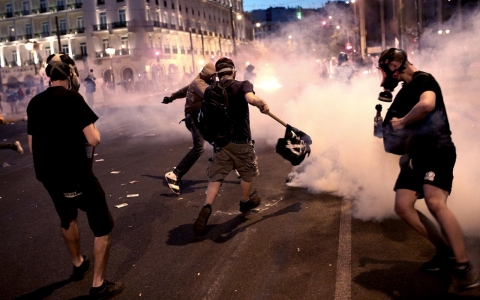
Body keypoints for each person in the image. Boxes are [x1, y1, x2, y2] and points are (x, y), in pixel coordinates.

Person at [377, 48, 479, 290]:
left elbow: (427, 105)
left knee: (435, 202)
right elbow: (392, 132)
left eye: (386, 68)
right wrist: (384, 128)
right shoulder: (403, 92)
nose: (385, 75)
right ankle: (445, 252)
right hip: (415, 155)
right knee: (402, 206)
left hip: (437, 149)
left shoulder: (425, 80)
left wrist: (401, 122)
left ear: (396, 64)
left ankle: (463, 264)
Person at [26, 53, 123, 299]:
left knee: (67, 217)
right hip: (77, 173)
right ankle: (98, 284)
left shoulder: (34, 103)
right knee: (102, 225)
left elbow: (31, 146)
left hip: (49, 176)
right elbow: (94, 139)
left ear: (48, 76)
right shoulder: (73, 99)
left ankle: (78, 262)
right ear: (71, 75)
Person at [192, 57, 270, 236]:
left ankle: (206, 207)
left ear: (218, 74)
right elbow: (251, 98)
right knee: (246, 172)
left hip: (220, 142)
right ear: (233, 71)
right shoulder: (242, 84)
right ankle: (244, 201)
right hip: (241, 141)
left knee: (217, 176)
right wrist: (262, 104)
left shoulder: (211, 89)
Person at [162, 63, 217, 194]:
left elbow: (183, 90)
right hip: (194, 118)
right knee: (200, 147)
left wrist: (171, 98)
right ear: (209, 74)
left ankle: (234, 167)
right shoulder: (200, 83)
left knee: (218, 141)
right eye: (213, 76)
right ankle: (175, 174)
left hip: (198, 118)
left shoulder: (197, 81)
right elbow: (210, 95)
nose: (214, 78)